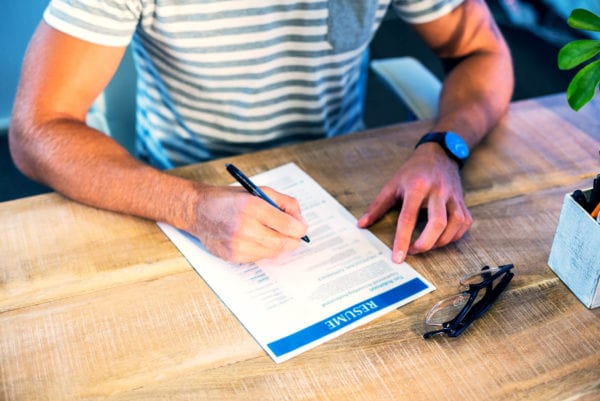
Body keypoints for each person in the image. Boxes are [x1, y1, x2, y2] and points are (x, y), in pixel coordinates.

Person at [9, 0, 513, 264]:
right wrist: (191, 206)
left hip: (347, 191)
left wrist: (444, 147)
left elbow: (482, 52)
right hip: (178, 193)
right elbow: (37, 129)